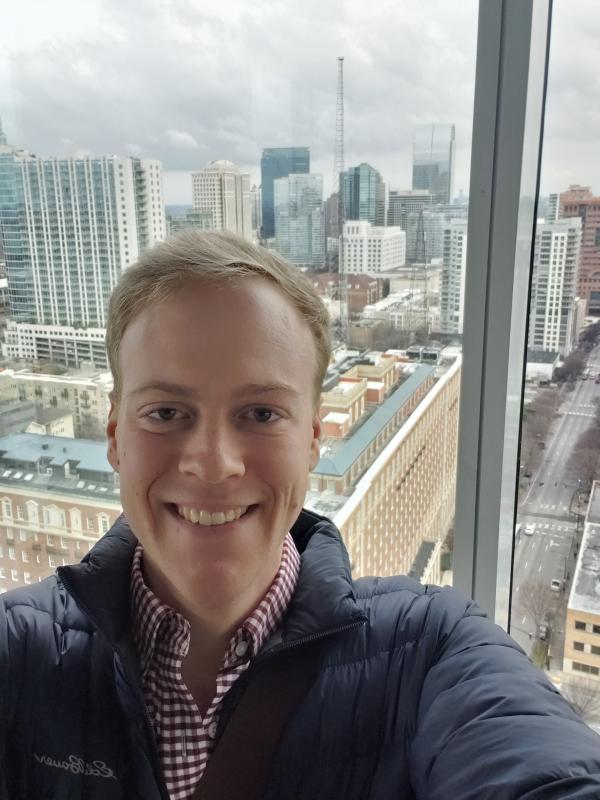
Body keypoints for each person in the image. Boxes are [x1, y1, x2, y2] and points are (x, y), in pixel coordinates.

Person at [1, 230, 599, 800]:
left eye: (260, 414)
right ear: (114, 436)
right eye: (165, 412)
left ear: (313, 439)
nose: (214, 464)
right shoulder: (19, 656)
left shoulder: (431, 652)